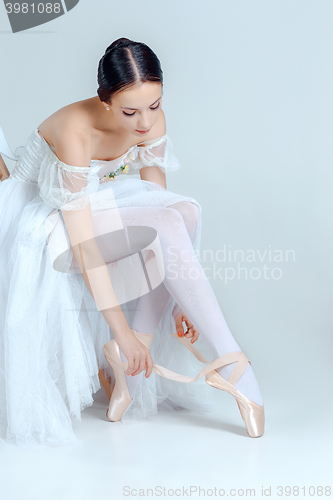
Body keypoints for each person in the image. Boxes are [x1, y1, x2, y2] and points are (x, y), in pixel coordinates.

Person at [0, 37, 264, 448]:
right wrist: (118, 328)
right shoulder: (76, 130)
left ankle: (136, 357)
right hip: (46, 211)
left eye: (154, 106)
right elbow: (84, 243)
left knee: (185, 212)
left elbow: (160, 205)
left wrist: (182, 299)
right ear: (104, 101)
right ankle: (231, 361)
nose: (144, 122)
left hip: (94, 199)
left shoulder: (150, 118)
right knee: (170, 221)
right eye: (130, 111)